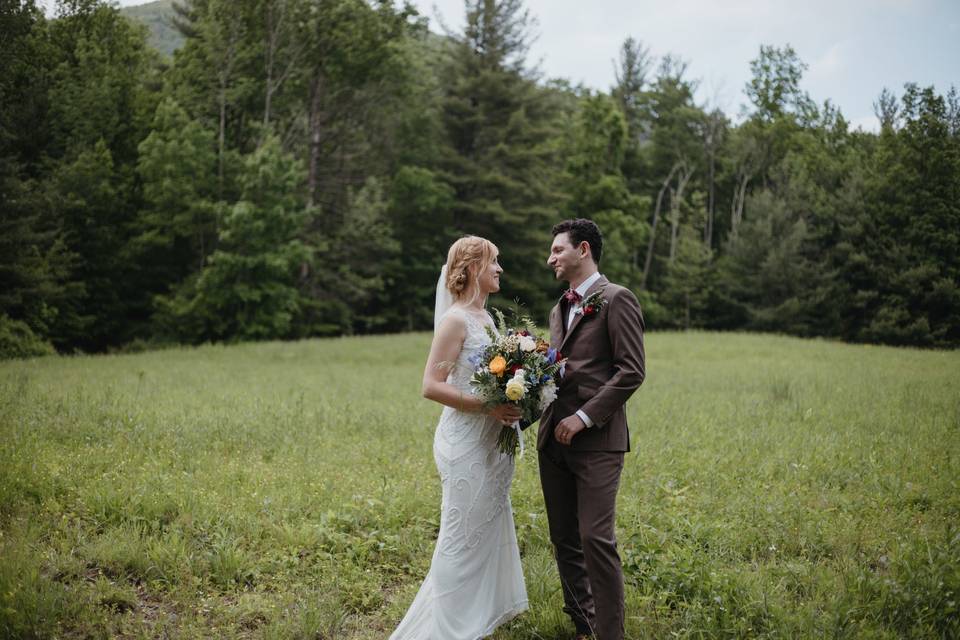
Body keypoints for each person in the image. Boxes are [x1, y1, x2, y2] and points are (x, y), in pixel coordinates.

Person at [390, 236, 528, 639]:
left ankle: (473, 621)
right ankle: (446, 629)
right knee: (460, 537)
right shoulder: (455, 320)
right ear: (471, 269)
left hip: (492, 444)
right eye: (494, 262)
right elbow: (431, 385)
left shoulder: (486, 318)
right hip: (465, 442)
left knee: (482, 535)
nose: (500, 269)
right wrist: (489, 407)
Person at [538, 219, 646, 640]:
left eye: (557, 250)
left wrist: (583, 417)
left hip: (597, 441)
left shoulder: (617, 299)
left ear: (583, 249)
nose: (550, 259)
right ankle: (584, 626)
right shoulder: (557, 308)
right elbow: (554, 374)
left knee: (595, 539)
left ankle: (610, 634)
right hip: (554, 440)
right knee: (564, 539)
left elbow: (631, 372)